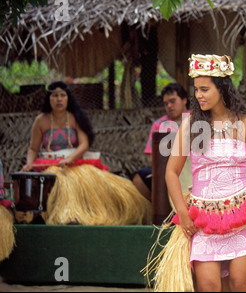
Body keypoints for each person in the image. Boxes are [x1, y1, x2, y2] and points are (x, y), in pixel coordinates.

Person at [144, 54, 246, 292]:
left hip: (242, 218)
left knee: (239, 284)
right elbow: (171, 172)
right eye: (196, 89)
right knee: (208, 286)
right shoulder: (191, 125)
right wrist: (182, 214)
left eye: (205, 89)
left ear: (222, 88)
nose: (198, 95)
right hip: (203, 221)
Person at [20, 81, 149, 225]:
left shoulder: (74, 118)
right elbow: (33, 149)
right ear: (48, 99)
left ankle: (89, 214)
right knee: (60, 178)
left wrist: (70, 158)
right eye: (55, 96)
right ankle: (64, 215)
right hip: (50, 165)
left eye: (62, 95)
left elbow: (84, 144)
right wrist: (29, 164)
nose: (59, 99)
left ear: (68, 98)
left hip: (73, 163)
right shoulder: (41, 121)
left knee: (90, 178)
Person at [133, 83, 189, 202]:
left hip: (191, 166)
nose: (169, 106)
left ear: (184, 100)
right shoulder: (159, 124)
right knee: (138, 178)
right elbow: (153, 156)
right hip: (166, 168)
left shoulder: (196, 119)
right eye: (166, 103)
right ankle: (160, 208)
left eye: (173, 101)